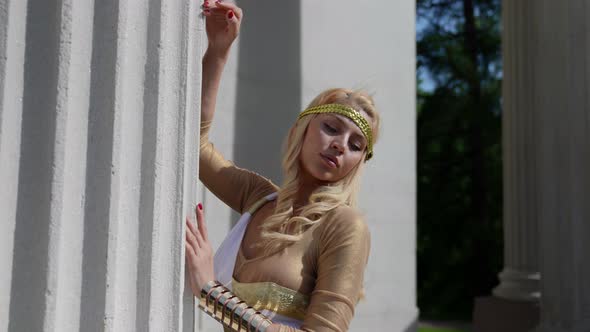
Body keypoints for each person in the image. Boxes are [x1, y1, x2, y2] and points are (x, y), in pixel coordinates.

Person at [184, 2, 381, 331]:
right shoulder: (258, 197)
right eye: (331, 128)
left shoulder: (345, 226)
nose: (340, 145)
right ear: (301, 131)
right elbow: (194, 144)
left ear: (359, 161)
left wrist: (211, 292)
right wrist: (218, 50)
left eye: (356, 145)